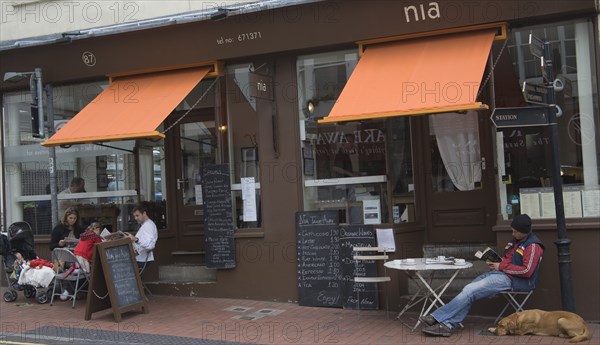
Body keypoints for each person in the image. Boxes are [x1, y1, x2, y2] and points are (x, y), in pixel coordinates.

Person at [420, 214, 544, 337]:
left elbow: (527, 271)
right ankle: (447, 325)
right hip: (500, 273)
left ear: (524, 232)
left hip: (513, 280)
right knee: (469, 291)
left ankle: (436, 317)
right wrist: (496, 262)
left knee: (470, 290)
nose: (512, 234)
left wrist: (500, 266)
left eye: (515, 231)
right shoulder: (516, 241)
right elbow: (509, 260)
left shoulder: (533, 246)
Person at [124, 202, 158, 268]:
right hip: (139, 258)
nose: (135, 218)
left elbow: (150, 244)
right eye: (134, 216)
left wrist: (136, 239)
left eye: (137, 215)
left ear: (144, 213)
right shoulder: (145, 225)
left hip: (141, 260)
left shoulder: (148, 225)